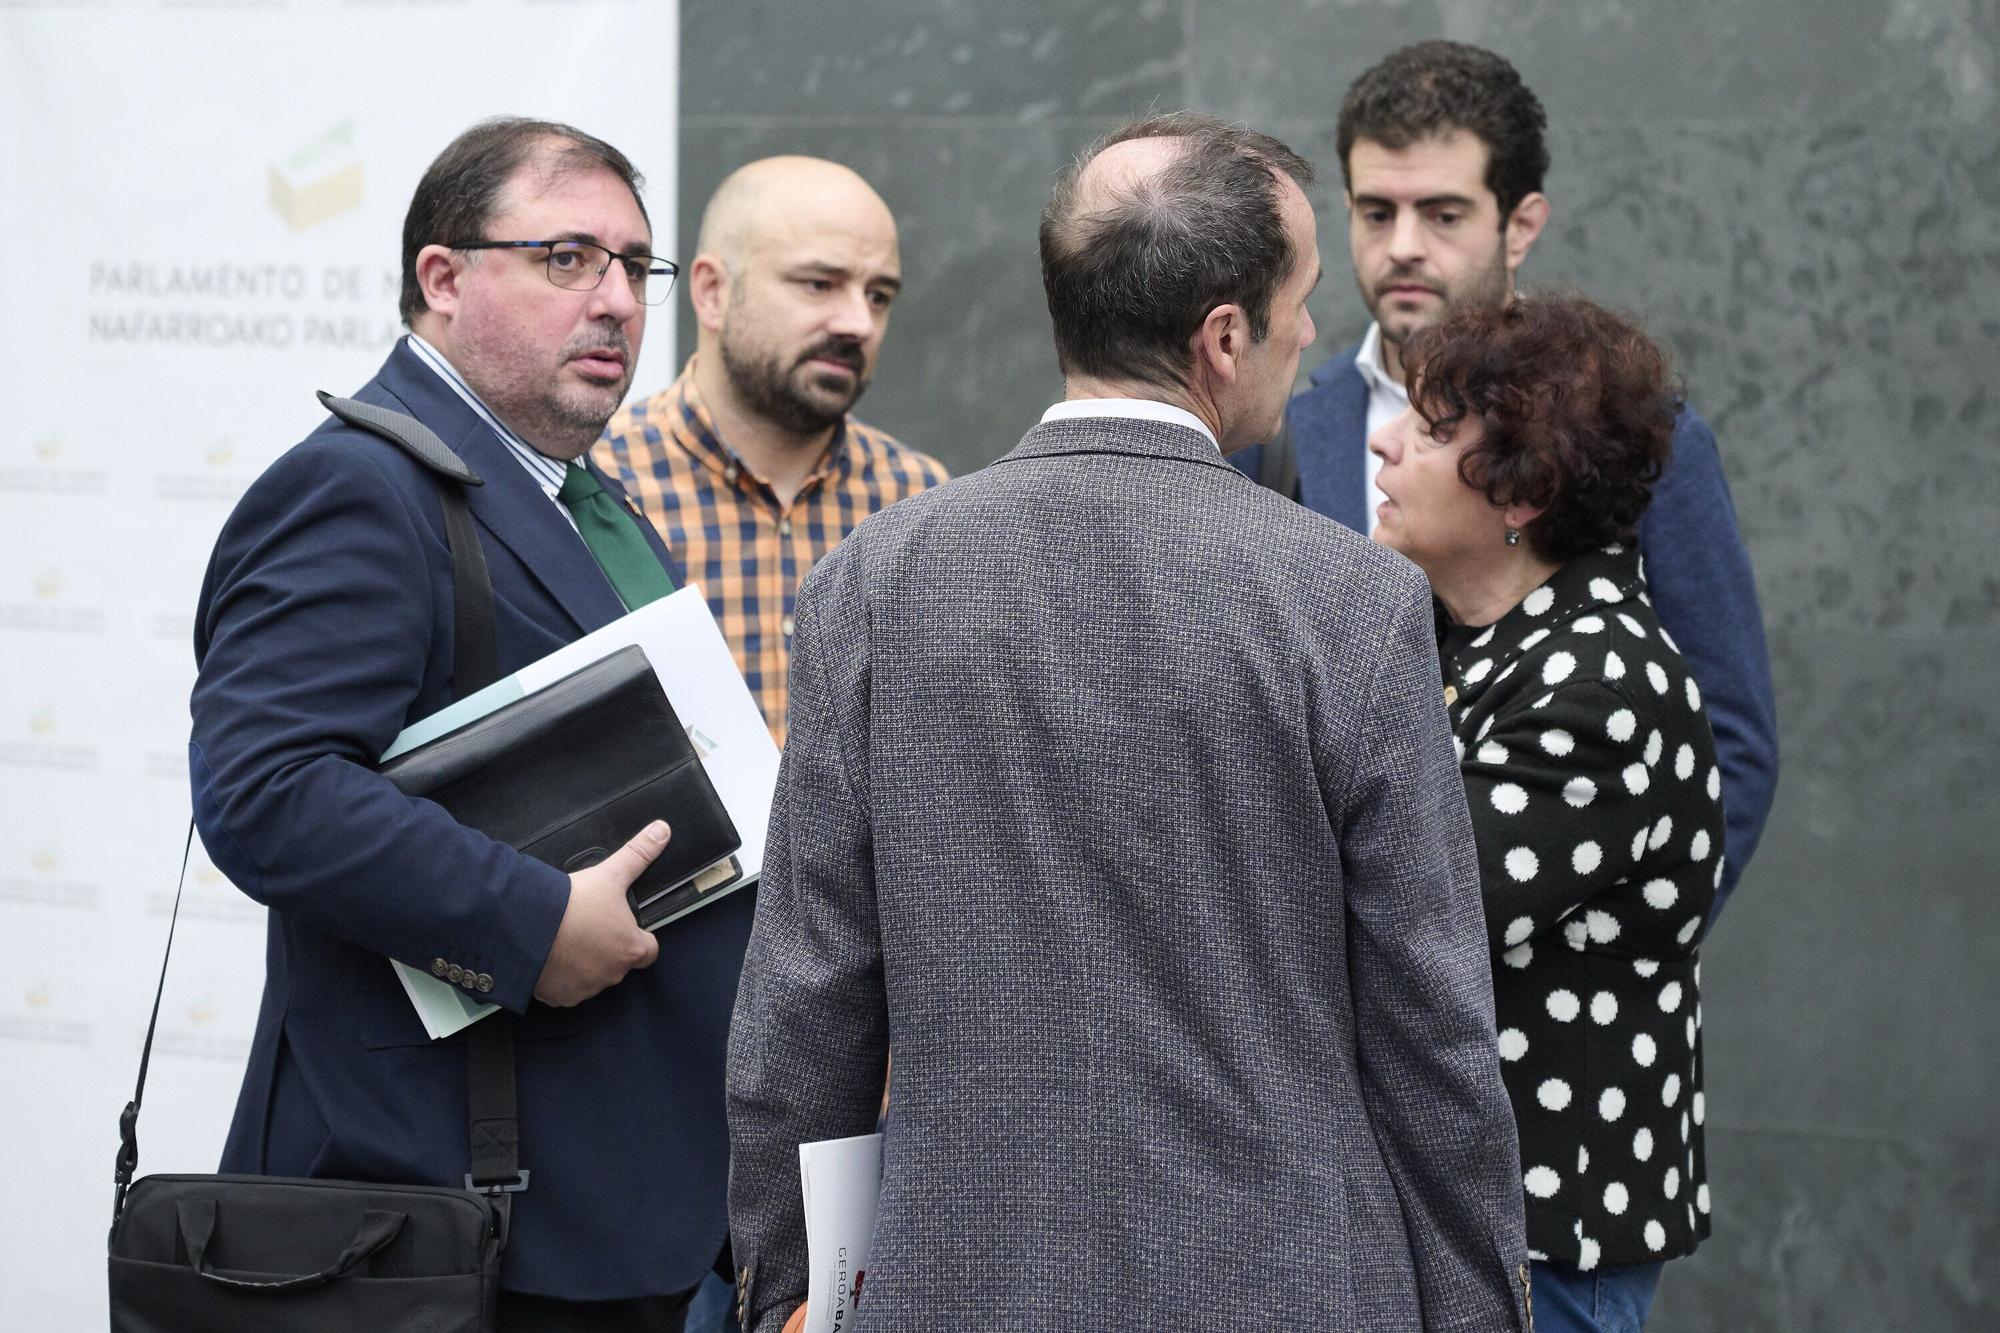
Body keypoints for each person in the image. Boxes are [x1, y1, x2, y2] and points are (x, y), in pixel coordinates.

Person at [726, 113, 1533, 1332]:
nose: (1311, 330)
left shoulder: (871, 580)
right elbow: (1433, 1036)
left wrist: (786, 1290)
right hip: (1292, 1284)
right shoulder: (1354, 601)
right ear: (1221, 338)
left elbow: (805, 1001)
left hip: (955, 1285)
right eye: (1299, 299)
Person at [189, 118, 753, 1331]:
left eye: (633, 267)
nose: (613, 301)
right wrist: (533, 922)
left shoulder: (576, 496)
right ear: (442, 280)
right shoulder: (358, 486)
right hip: (447, 1219)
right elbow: (268, 790)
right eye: (565, 259)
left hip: (613, 1208)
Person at [1239, 40, 1776, 918]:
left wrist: (1628, 939)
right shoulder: (1288, 426)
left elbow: (1731, 734)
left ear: (1520, 224)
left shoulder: (1638, 433)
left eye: (1442, 214)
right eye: (1376, 213)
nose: (1403, 246)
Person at [1369, 296, 1724, 1331]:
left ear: (1522, 486)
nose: (1385, 445)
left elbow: (1423, 905)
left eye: (1432, 430)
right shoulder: (1466, 642)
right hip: (1469, 1219)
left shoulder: (1599, 673)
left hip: (1544, 1239)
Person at [596, 156, 947, 747]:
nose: (859, 322)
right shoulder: (600, 487)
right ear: (711, 292)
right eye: (819, 284)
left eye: (879, 295)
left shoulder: (921, 502)